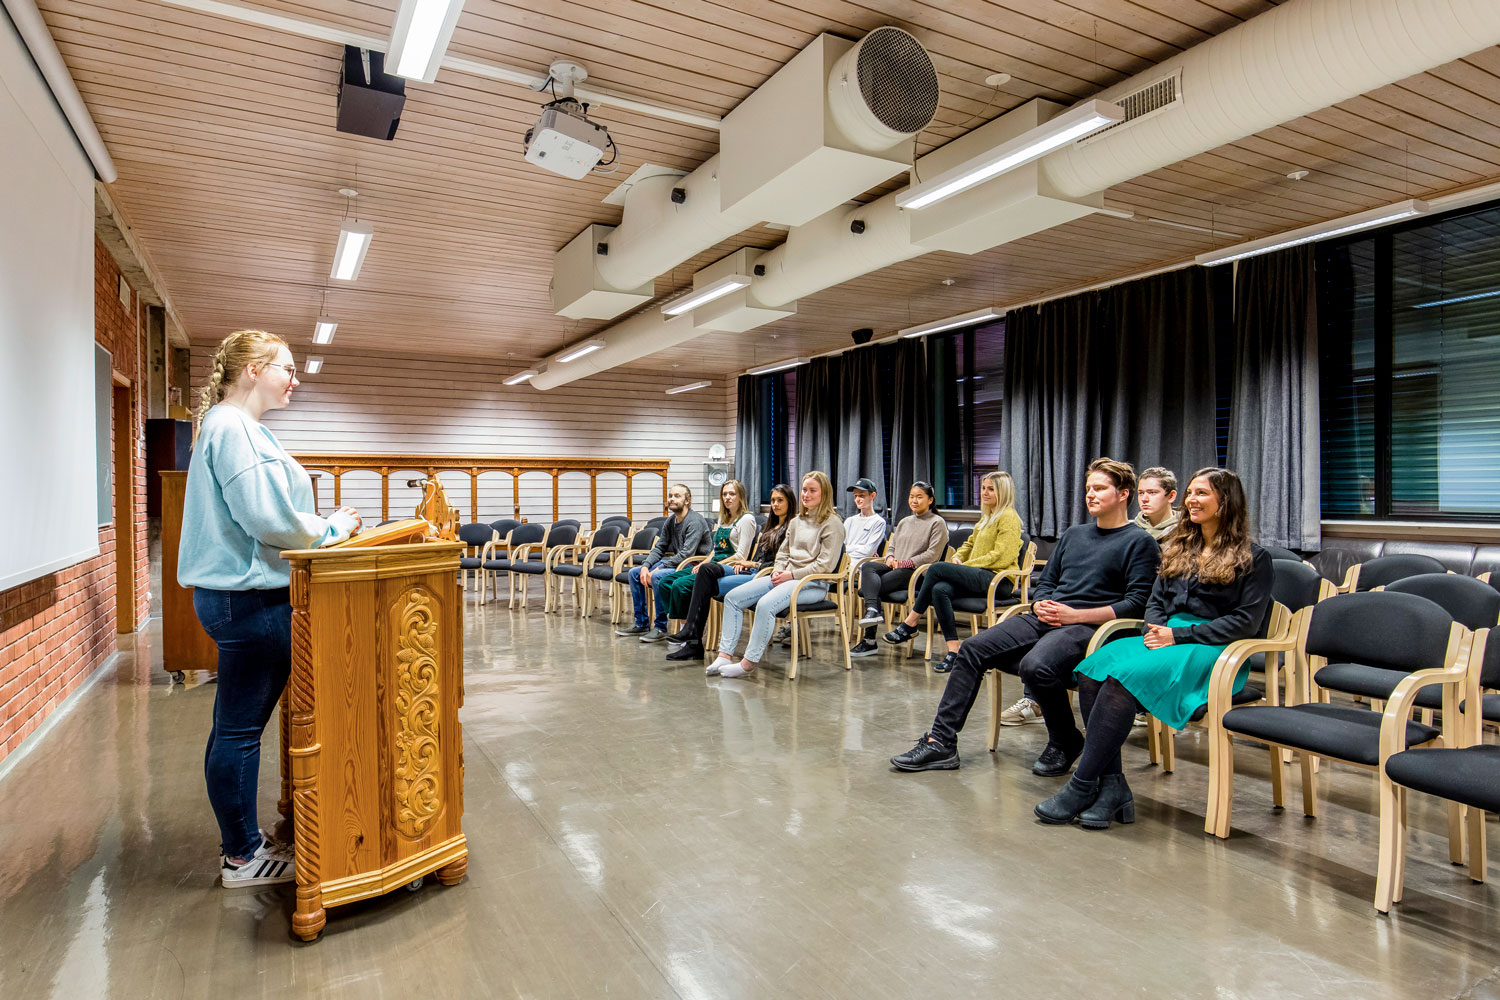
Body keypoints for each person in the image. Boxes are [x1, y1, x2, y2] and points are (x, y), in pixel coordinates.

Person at [179, 330, 362, 888]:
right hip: (251, 599)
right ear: (254, 369)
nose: (294, 379)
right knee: (239, 732)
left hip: (241, 596)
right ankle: (242, 856)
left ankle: (241, 844)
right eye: (287, 368)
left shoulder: (233, 426)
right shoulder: (232, 427)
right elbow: (268, 519)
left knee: (232, 728)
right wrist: (331, 528)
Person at [1035, 468, 1273, 830]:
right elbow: (1155, 601)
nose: (1191, 500)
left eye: (1202, 493)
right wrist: (1156, 629)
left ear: (1226, 500)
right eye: (1190, 493)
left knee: (1122, 678)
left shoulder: (1253, 557)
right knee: (1092, 668)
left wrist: (1178, 636)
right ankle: (1112, 786)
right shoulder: (1180, 547)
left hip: (1213, 648)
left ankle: (1082, 785)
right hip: (1164, 637)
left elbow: (1245, 622)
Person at [889, 458, 1160, 774]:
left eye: (1099, 488)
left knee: (1035, 666)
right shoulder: (1074, 535)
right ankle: (941, 742)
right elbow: (1046, 582)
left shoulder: (1140, 542)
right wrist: (1040, 603)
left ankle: (1065, 740)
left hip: (1088, 626)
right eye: (1088, 488)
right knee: (972, 649)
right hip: (1047, 617)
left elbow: (1136, 604)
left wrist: (1075, 615)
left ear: (1124, 494)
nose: (1090, 494)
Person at [882, 472, 1023, 673]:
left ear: (1004, 491)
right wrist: (959, 557)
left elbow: (1001, 556)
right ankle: (953, 651)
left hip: (998, 580)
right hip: (978, 575)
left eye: (991, 489)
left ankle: (910, 622)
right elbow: (969, 544)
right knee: (939, 589)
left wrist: (966, 565)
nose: (985, 492)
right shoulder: (987, 517)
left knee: (936, 568)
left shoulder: (1008, 517)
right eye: (983, 488)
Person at [710, 472, 845, 679]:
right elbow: (783, 552)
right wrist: (778, 570)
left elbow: (825, 566)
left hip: (813, 583)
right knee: (732, 598)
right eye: (804, 490)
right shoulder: (797, 521)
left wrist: (791, 574)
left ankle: (748, 663)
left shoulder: (833, 524)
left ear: (824, 493)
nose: (806, 494)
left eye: (812, 490)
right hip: (786, 577)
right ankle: (724, 655)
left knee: (765, 604)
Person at [665, 484, 793, 663]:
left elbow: (780, 563)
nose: (775, 504)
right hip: (750, 570)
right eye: (772, 500)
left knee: (705, 575)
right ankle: (692, 639)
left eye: (780, 500)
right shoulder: (769, 526)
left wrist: (752, 563)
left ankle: (692, 637)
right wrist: (748, 564)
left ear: (790, 502)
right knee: (701, 574)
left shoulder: (791, 527)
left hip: (762, 574)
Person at [850, 482, 947, 657]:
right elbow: (892, 546)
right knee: (869, 566)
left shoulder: (937, 523)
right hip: (896, 569)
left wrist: (905, 563)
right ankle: (872, 611)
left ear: (930, 500)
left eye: (919, 497)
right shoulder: (904, 522)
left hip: (917, 574)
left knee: (868, 590)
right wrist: (889, 557)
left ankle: (869, 640)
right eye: (911, 496)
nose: (914, 500)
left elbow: (932, 554)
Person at [655, 479, 757, 628]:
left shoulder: (747, 520)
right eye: (724, 494)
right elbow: (715, 550)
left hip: (729, 567)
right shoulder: (724, 518)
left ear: (740, 496)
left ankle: (687, 629)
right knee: (666, 582)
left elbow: (741, 556)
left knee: (680, 585)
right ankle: (684, 621)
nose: (727, 497)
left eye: (732, 494)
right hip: (712, 564)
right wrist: (703, 563)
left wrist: (712, 566)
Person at [616, 484, 709, 641]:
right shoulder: (671, 521)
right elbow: (659, 547)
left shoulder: (695, 521)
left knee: (657, 576)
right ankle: (641, 623)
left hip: (694, 565)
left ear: (687, 500)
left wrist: (658, 569)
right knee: (634, 573)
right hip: (679, 563)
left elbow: (687, 554)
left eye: (677, 496)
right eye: (670, 495)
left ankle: (660, 627)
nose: (671, 499)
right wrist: (645, 566)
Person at [843, 477, 889, 562]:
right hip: (844, 563)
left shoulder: (878, 522)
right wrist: (860, 547)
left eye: (861, 496)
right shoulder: (849, 521)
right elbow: (841, 548)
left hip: (860, 565)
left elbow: (868, 551)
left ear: (873, 495)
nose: (857, 499)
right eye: (855, 496)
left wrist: (848, 550)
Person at [1133, 467, 1180, 541]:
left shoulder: (1188, 531)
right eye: (1141, 493)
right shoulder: (1129, 531)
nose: (1144, 499)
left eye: (1152, 492)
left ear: (1171, 496)